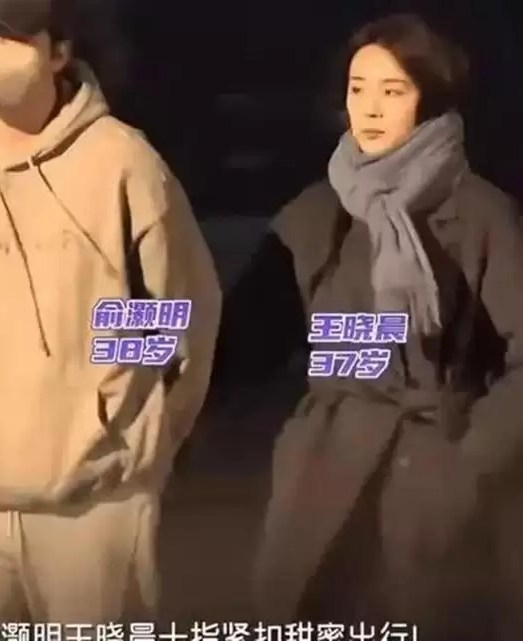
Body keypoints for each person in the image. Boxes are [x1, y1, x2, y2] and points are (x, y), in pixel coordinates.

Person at [0, 0, 221, 637]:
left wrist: (127, 424)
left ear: (59, 52)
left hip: (94, 507)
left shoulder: (123, 163)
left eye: (11, 37)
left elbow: (178, 314)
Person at [215, 13, 523, 640]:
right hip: (323, 477)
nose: (371, 107)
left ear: (429, 99)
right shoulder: (317, 213)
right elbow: (240, 342)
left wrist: (468, 465)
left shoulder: (482, 214)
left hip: (433, 478)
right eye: (358, 89)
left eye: (393, 90)